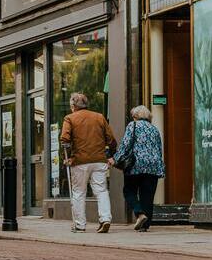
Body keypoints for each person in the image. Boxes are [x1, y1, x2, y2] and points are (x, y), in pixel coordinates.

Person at [59, 91, 118, 233]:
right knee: (101, 190)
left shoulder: (70, 118)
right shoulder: (99, 117)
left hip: (79, 161)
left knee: (79, 192)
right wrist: (111, 154)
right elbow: (111, 139)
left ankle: (80, 225)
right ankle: (105, 219)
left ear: (73, 106)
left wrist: (66, 157)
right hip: (99, 160)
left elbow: (64, 139)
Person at [113, 105, 165, 232]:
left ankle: (139, 213)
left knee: (129, 190)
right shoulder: (154, 129)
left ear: (135, 116)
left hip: (136, 165)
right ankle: (145, 226)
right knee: (147, 195)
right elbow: (159, 149)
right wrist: (159, 167)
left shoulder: (133, 125)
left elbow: (126, 144)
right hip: (153, 166)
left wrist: (115, 159)